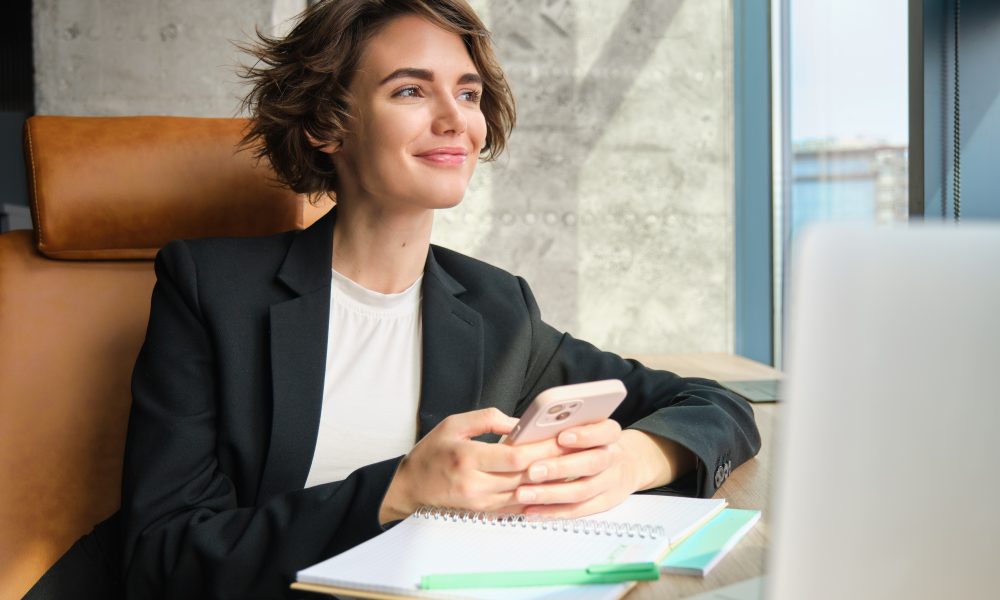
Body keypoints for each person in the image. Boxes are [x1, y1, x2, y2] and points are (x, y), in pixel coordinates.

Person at [119, 0, 762, 598]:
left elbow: (717, 406)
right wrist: (398, 490)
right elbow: (162, 555)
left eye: (469, 93)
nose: (455, 119)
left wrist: (633, 458)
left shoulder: (496, 307)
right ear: (325, 125)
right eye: (410, 90)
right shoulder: (210, 289)